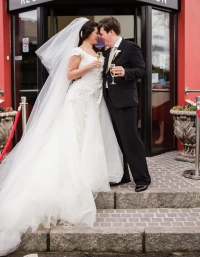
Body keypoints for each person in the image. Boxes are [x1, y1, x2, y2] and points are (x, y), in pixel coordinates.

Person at [0, 18, 123, 256]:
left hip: (92, 101)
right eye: (96, 32)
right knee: (73, 137)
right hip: (77, 100)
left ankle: (87, 170)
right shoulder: (77, 51)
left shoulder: (97, 50)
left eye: (100, 32)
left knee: (89, 138)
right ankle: (73, 172)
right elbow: (69, 75)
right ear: (86, 33)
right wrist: (89, 67)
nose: (99, 36)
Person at [98, 16, 151, 192]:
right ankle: (123, 175)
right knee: (118, 140)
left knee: (130, 140)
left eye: (102, 33)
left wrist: (126, 72)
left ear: (111, 31)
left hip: (125, 102)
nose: (100, 37)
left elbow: (142, 70)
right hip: (110, 101)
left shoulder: (130, 47)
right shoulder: (106, 51)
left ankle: (142, 179)